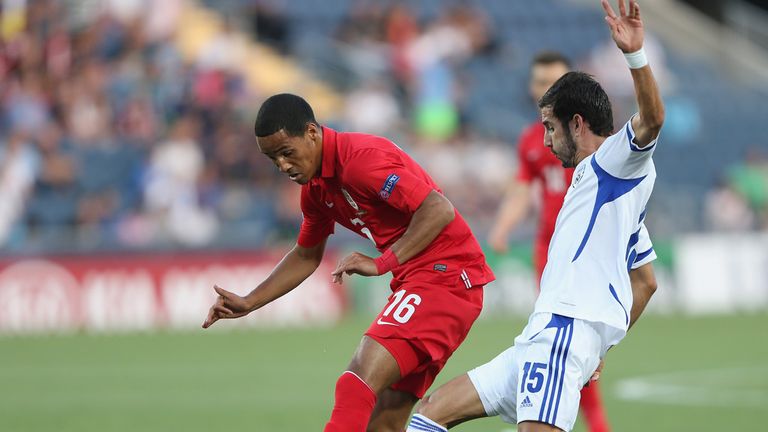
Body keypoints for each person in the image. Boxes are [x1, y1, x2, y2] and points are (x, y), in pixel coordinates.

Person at [406, 1, 664, 431]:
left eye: (550, 126)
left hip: (562, 331)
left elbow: (652, 120)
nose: (545, 141)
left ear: (577, 124)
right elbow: (646, 282)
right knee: (430, 414)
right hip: (539, 339)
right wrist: (599, 350)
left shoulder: (613, 164)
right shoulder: (616, 205)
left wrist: (635, 55)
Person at [201, 93, 494, 431]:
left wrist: (383, 262)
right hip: (426, 282)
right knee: (383, 424)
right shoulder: (315, 190)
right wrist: (250, 301)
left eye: (286, 153)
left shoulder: (360, 162)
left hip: (447, 278)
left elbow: (438, 209)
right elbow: (306, 255)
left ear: (311, 132)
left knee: (356, 381)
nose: (282, 166)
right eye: (273, 159)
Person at [487, 52, 613, 432]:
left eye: (552, 81)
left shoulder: (590, 138)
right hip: (551, 252)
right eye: (540, 82)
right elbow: (523, 189)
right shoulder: (534, 141)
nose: (544, 88)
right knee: (560, 342)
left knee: (576, 342)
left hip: (591, 249)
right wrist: (503, 227)